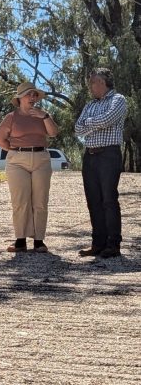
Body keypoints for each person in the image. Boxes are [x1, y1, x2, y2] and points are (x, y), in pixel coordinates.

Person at [0, 81, 59, 253]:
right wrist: (16, 151)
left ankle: (39, 241)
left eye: (35, 95)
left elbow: (53, 133)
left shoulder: (43, 115)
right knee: (20, 201)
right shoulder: (11, 117)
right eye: (29, 94)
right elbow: (0, 140)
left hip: (41, 159)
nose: (32, 97)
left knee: (40, 201)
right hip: (17, 161)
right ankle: (20, 240)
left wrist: (45, 116)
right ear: (20, 98)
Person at [74, 68, 127, 258]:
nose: (90, 86)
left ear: (102, 83)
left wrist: (90, 123)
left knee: (108, 199)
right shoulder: (89, 104)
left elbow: (107, 119)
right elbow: (78, 128)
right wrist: (92, 124)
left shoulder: (118, 100)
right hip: (90, 156)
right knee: (93, 200)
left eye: (93, 82)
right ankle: (98, 243)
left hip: (108, 155)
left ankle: (113, 244)